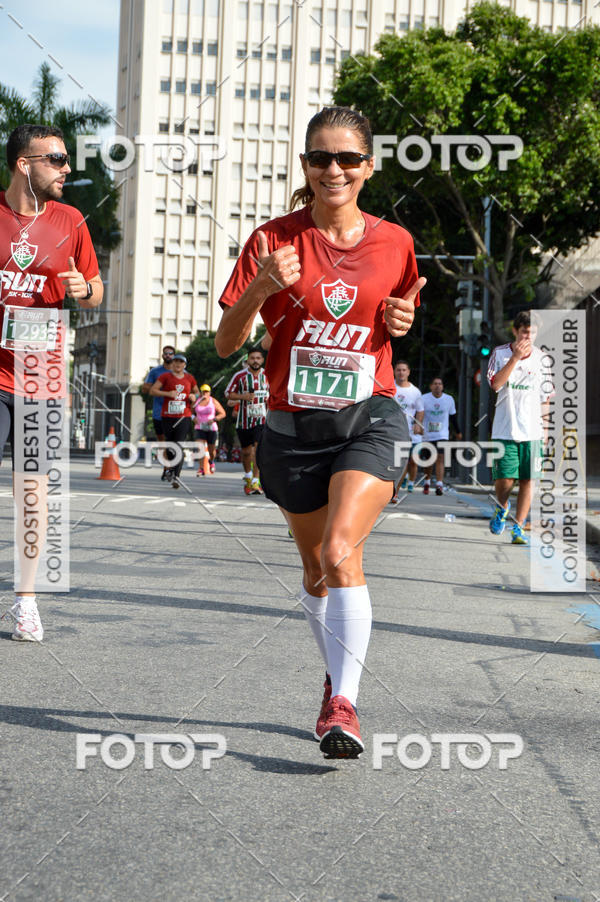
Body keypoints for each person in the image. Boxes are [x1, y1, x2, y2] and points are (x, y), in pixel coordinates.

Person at [215, 106, 425, 759]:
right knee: (314, 571)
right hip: (292, 428)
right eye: (320, 158)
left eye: (348, 158)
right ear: (305, 165)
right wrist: (260, 287)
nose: (334, 169)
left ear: (369, 167)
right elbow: (225, 343)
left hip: (371, 417)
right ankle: (337, 676)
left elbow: (400, 316)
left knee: (339, 551)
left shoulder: (396, 242)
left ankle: (344, 704)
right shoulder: (271, 240)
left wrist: (402, 323)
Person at [0, 125, 103, 641]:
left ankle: (26, 601)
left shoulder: (70, 220)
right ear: (24, 164)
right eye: (57, 159)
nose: (67, 168)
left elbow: (96, 290)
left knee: (33, 496)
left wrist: (84, 288)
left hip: (42, 377)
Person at [487, 311, 548, 545]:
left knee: (528, 480)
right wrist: (515, 358)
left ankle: (519, 527)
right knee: (505, 479)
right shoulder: (500, 353)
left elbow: (545, 398)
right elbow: (495, 385)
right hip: (505, 429)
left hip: (533, 431)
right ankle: (502, 506)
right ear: (515, 331)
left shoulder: (543, 359)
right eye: (524, 332)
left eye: (532, 333)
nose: (528, 337)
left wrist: (546, 431)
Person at [149, 353, 199, 488]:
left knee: (178, 445)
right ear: (172, 364)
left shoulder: (189, 378)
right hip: (167, 416)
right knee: (170, 447)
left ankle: (176, 477)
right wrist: (167, 393)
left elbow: (197, 392)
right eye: (175, 362)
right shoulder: (165, 377)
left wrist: (194, 396)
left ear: (185, 365)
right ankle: (171, 468)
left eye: (181, 362)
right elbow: (153, 391)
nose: (177, 364)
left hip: (184, 416)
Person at [225, 349, 269, 495]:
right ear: (248, 360)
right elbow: (228, 393)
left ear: (262, 360)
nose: (255, 361)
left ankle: (256, 480)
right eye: (252, 358)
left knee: (258, 449)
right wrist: (243, 397)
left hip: (262, 419)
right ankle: (248, 475)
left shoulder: (268, 375)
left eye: (258, 358)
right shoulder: (240, 376)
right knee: (246, 452)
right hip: (244, 421)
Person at [421, 377, 462, 495]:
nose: (437, 386)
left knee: (440, 457)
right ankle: (427, 481)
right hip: (427, 435)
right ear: (431, 386)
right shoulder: (424, 399)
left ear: (442, 386)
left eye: (440, 384)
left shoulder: (449, 399)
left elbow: (453, 417)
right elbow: (419, 414)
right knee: (429, 460)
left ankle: (439, 484)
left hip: (442, 434)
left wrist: (458, 431)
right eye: (435, 384)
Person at [141, 344, 174, 479]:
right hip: (159, 412)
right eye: (166, 353)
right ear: (162, 355)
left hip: (176, 413)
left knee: (174, 441)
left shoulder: (182, 372)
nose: (168, 355)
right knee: (162, 442)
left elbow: (192, 390)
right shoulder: (155, 372)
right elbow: (145, 389)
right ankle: (167, 467)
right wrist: (157, 389)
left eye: (170, 353)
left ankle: (172, 466)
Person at [392, 360, 424, 494]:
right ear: (394, 372)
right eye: (398, 370)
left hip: (410, 433)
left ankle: (409, 483)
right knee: (398, 461)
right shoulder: (390, 387)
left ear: (408, 372)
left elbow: (420, 410)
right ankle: (394, 490)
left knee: (412, 461)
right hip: (393, 430)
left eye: (404, 370)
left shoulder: (415, 391)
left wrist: (418, 424)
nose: (401, 372)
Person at [193, 384, 226, 474]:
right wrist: (193, 418)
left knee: (212, 450)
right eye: (203, 391)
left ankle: (211, 461)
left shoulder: (213, 401)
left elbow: (223, 413)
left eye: (207, 392)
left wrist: (214, 419)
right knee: (200, 447)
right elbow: (189, 411)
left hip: (211, 428)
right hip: (199, 427)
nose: (205, 393)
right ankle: (201, 468)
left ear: (210, 392)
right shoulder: (197, 401)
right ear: (200, 392)